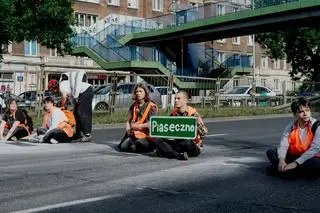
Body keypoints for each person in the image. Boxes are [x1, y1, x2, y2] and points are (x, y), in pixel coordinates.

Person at [266, 97, 320, 179]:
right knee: (271, 151)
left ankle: (280, 170)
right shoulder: (291, 126)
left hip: (310, 157)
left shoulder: (317, 126)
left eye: (307, 110)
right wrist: (281, 160)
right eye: (301, 112)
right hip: (294, 155)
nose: (305, 114)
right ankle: (289, 170)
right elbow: (283, 145)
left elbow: (315, 148)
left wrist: (295, 163)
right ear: (295, 114)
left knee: (316, 164)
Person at [153, 91, 208, 160]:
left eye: (178, 99)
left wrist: (199, 125)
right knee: (158, 140)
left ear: (185, 101)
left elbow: (205, 133)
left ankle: (168, 152)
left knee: (186, 141)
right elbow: (167, 130)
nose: (176, 100)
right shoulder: (174, 113)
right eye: (175, 98)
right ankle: (178, 155)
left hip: (192, 145)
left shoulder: (193, 114)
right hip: (177, 143)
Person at [48, 70, 93, 142]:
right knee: (76, 113)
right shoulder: (65, 86)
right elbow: (71, 98)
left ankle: (87, 134)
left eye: (51, 90)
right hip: (82, 93)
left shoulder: (62, 86)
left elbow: (64, 98)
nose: (52, 92)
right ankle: (79, 134)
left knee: (83, 113)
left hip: (86, 91)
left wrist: (61, 108)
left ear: (53, 88)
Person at [118, 83, 158, 153]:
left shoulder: (151, 106)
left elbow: (152, 123)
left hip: (146, 136)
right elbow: (128, 121)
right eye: (136, 91)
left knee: (136, 147)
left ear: (145, 93)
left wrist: (138, 126)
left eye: (140, 91)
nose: (138, 93)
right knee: (123, 147)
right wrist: (128, 130)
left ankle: (153, 146)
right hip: (134, 134)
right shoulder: (134, 105)